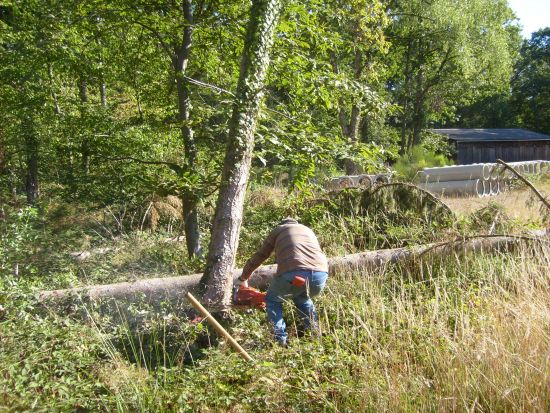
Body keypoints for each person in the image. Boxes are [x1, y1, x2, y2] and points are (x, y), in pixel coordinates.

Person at [238, 217, 329, 346]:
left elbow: (261, 255)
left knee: (272, 300)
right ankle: (314, 335)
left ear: (281, 225)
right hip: (321, 274)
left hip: (294, 273)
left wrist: (244, 277)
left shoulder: (279, 230)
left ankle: (279, 340)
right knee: (302, 298)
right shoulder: (307, 229)